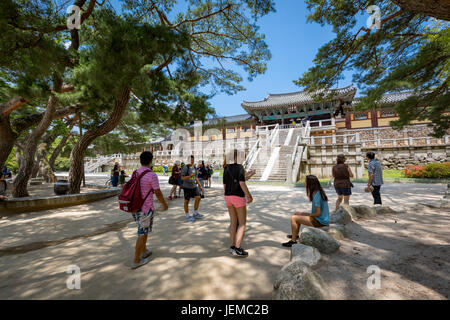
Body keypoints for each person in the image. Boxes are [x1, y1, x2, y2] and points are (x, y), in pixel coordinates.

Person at [131, 151, 168, 270]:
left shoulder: (136, 172)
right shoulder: (151, 175)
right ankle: (136, 260)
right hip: (145, 209)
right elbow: (157, 192)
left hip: (135, 207)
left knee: (144, 230)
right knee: (142, 233)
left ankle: (144, 250)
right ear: (151, 161)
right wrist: (164, 204)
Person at [282, 175, 330, 247]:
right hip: (320, 218)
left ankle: (293, 241)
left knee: (294, 218)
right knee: (296, 214)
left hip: (320, 221)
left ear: (310, 183)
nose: (304, 183)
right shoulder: (317, 192)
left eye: (305, 181)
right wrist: (302, 213)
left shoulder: (316, 195)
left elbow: (318, 213)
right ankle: (295, 235)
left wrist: (306, 215)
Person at [224, 150, 253, 257]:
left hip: (228, 196)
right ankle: (237, 248)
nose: (244, 158)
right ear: (237, 157)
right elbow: (242, 183)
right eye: (243, 156)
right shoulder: (240, 167)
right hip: (238, 197)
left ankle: (232, 247)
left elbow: (225, 185)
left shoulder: (226, 168)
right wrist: (249, 195)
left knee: (233, 222)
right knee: (242, 223)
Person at [181, 155, 204, 222]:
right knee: (186, 201)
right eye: (190, 160)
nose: (192, 161)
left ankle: (195, 213)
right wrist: (189, 176)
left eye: (192, 160)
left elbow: (196, 177)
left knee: (198, 198)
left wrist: (200, 186)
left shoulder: (194, 167)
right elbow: (182, 178)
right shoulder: (186, 167)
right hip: (187, 187)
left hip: (194, 186)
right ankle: (187, 216)